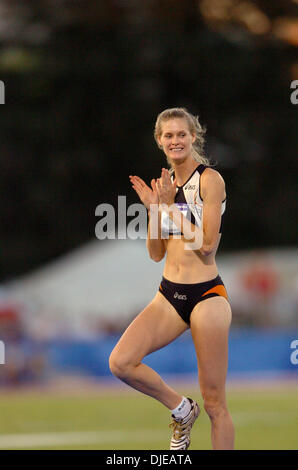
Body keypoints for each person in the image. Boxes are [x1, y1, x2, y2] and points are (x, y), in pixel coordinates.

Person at [109, 107, 234, 450]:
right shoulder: (166, 185)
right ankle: (181, 409)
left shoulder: (209, 180)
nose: (175, 140)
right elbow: (155, 252)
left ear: (194, 137)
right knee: (120, 362)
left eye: (182, 134)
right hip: (168, 294)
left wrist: (169, 209)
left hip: (207, 296)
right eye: (168, 136)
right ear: (159, 141)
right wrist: (154, 210)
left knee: (215, 403)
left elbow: (207, 247)